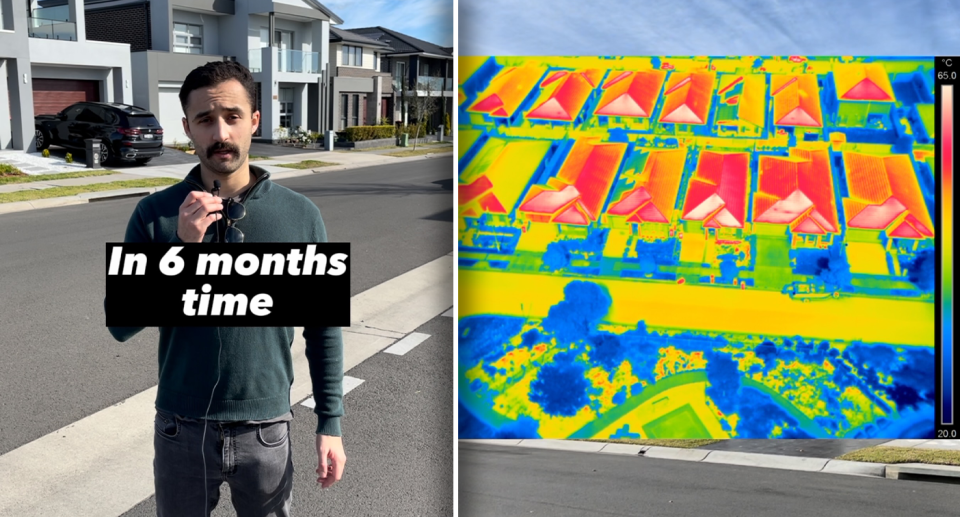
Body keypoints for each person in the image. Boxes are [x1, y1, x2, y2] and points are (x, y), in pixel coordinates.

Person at [104, 61, 346, 517]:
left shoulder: (300, 215)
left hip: (266, 427)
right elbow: (121, 323)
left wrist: (330, 423)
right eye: (205, 120)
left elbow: (323, 326)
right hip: (181, 427)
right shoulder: (154, 215)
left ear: (254, 120)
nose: (221, 132)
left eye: (233, 116)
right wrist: (181, 249)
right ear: (187, 130)